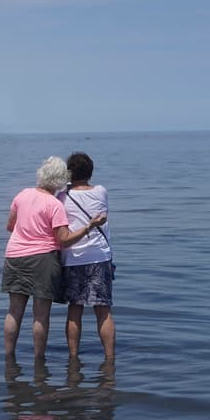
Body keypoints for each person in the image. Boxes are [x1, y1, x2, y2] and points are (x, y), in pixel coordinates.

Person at [3, 156, 107, 360]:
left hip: (14, 256)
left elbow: (10, 226)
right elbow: (64, 239)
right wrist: (89, 227)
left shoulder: (22, 195)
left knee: (14, 311)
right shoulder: (55, 204)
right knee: (40, 315)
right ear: (61, 180)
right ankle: (39, 361)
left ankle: (9, 358)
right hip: (43, 259)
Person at [59, 152, 115, 358]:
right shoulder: (101, 191)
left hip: (73, 258)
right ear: (90, 172)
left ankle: (73, 358)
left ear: (69, 173)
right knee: (103, 310)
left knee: (75, 309)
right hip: (100, 257)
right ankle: (109, 358)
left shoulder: (62, 197)